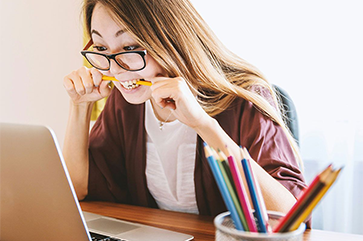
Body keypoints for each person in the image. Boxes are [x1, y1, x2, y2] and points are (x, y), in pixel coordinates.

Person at [63, 0, 307, 218]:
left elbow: (290, 217)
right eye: (102, 48)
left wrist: (203, 124)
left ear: (170, 39)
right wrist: (80, 106)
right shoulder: (126, 103)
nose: (115, 70)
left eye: (129, 48)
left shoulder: (245, 99)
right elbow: (77, 188)